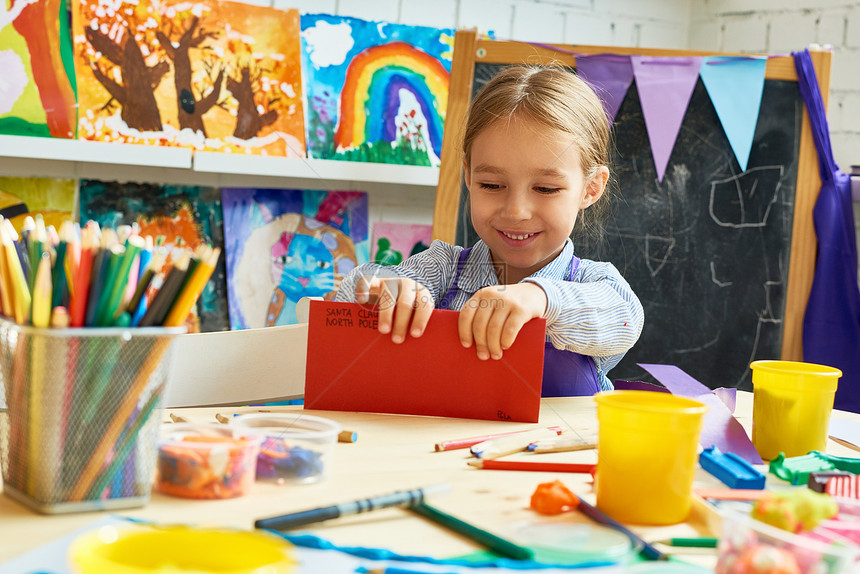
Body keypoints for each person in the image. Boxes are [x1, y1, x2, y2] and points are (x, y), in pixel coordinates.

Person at [335, 66, 644, 395]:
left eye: (545, 189)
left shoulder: (595, 284)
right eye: (492, 184)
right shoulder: (442, 268)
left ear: (591, 188)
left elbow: (625, 319)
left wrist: (540, 298)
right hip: (445, 445)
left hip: (565, 447)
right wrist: (384, 290)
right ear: (468, 176)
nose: (516, 211)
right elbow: (354, 288)